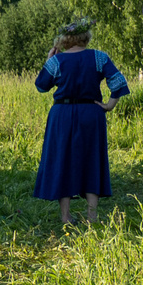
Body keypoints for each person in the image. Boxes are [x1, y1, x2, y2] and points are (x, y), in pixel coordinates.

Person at [32, 19, 128, 227]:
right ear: (86, 38)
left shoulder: (56, 61)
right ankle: (91, 218)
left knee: (62, 160)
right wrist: (109, 105)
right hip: (90, 113)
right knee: (91, 160)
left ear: (65, 39)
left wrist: (48, 60)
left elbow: (41, 86)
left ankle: (65, 217)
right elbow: (119, 82)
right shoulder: (99, 57)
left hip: (62, 114)